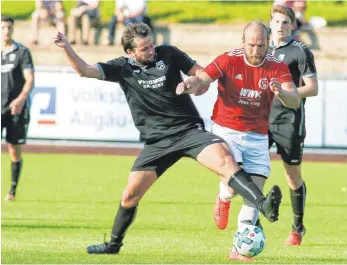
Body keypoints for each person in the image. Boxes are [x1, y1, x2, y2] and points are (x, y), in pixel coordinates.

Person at [53, 22, 282, 255]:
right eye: (144, 49)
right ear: (130, 53)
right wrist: (67, 48)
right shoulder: (121, 68)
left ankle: (262, 204)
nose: (151, 51)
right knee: (130, 195)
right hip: (157, 142)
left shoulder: (169, 54)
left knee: (226, 163)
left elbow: (200, 77)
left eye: (152, 45)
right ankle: (113, 245)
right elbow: (85, 70)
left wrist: (194, 86)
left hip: (189, 131)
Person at [178, 20, 300, 261]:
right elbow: (203, 77)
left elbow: (294, 99)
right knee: (237, 179)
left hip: (258, 134)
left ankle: (239, 248)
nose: (256, 51)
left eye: (261, 45)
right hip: (226, 130)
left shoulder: (277, 66)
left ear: (269, 44)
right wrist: (190, 83)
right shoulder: (228, 59)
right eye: (251, 45)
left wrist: (282, 93)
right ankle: (224, 196)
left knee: (254, 191)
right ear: (242, 42)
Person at [213, 5, 318, 247]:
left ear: (292, 25)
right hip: (258, 121)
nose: (281, 26)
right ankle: (248, 223)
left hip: (289, 121)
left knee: (292, 177)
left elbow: (313, 88)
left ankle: (297, 229)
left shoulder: (300, 51)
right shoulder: (259, 50)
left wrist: (284, 91)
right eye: (277, 22)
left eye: (285, 22)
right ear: (270, 25)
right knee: (244, 174)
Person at [1, 16, 35, 201]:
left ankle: (12, 190)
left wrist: (21, 99)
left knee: (14, 149)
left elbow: (29, 80)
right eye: (3, 27)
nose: (6, 31)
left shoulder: (22, 51)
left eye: (9, 28)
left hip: (15, 109)